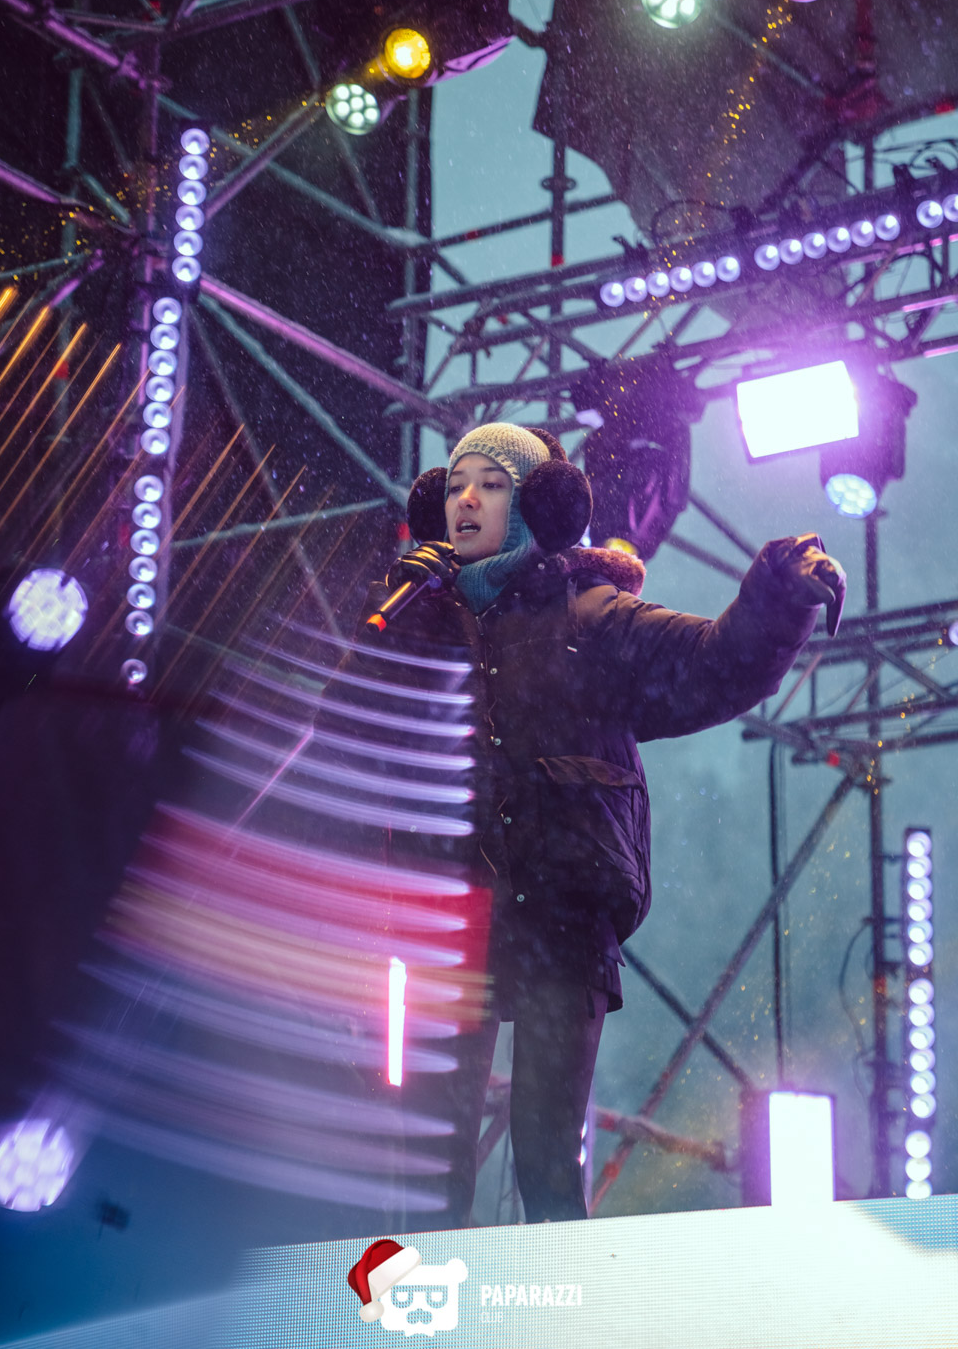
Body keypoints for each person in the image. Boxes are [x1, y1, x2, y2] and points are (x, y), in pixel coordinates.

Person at [333, 421, 845, 1229]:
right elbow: (348, 734)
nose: (466, 500)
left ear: (538, 505)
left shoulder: (590, 614)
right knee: (431, 1170)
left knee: (546, 1160)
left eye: (491, 485)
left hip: (563, 913)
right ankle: (433, 1304)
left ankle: (559, 1300)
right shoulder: (420, 618)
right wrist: (390, 621)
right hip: (448, 919)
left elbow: (714, 663)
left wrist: (778, 592)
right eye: (456, 484)